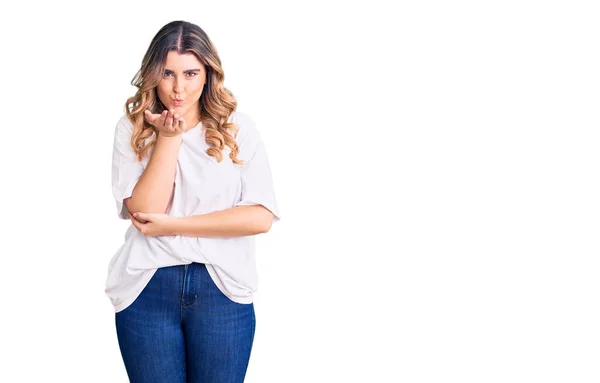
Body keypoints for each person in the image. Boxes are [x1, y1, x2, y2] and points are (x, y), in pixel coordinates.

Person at [106, 20, 281, 382]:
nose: (178, 88)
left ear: (207, 74)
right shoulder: (132, 127)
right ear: (153, 73)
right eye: (167, 73)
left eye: (190, 73)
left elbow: (260, 217)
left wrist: (174, 227)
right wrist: (168, 138)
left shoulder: (237, 128)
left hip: (223, 289)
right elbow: (145, 211)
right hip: (147, 288)